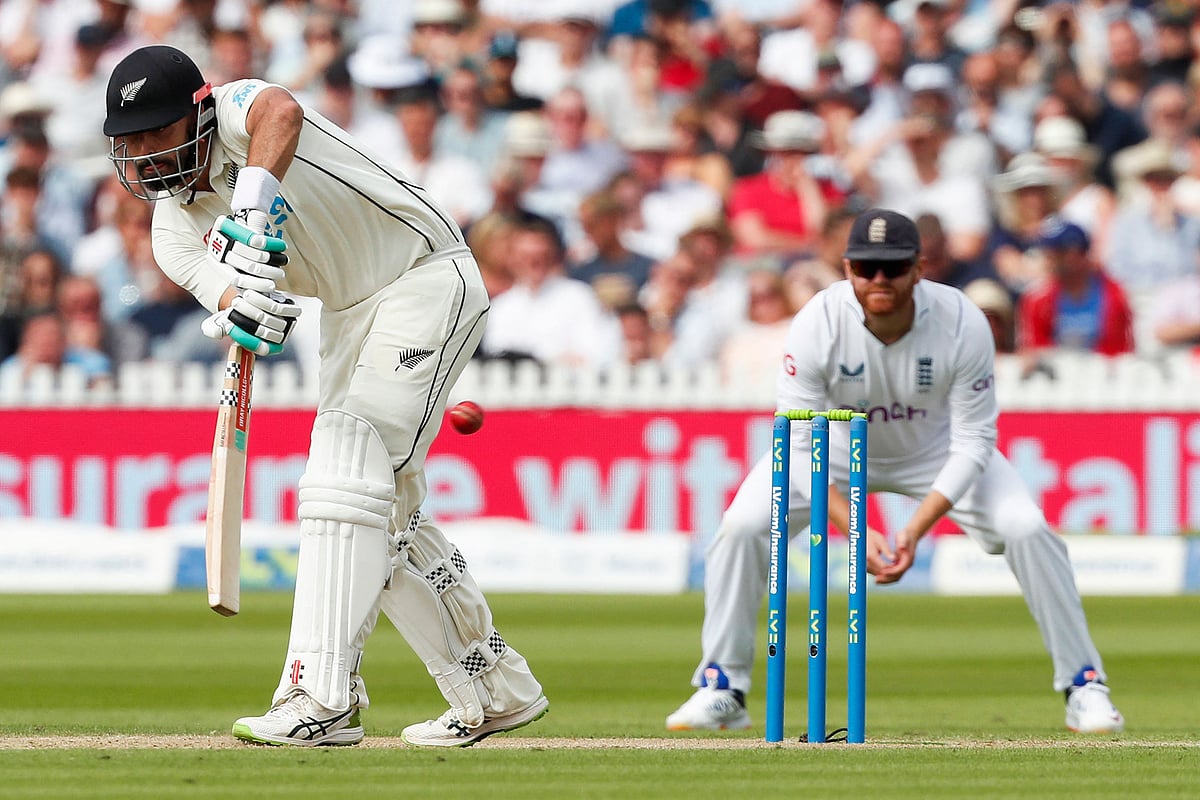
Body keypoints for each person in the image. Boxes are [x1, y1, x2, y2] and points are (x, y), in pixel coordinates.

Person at [102, 44, 547, 748]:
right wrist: (247, 313)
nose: (145, 156)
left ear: (198, 108)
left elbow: (284, 108)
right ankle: (493, 687)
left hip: (425, 275)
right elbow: (237, 307)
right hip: (348, 317)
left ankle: (319, 694)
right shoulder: (172, 231)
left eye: (156, 134)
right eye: (129, 143)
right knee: (377, 507)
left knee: (343, 481)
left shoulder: (243, 111)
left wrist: (250, 207)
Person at [665, 208, 1125, 736]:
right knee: (743, 526)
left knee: (1028, 528)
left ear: (918, 268)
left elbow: (975, 440)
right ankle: (722, 686)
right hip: (829, 449)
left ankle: (1084, 684)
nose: (878, 280)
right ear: (846, 268)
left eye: (892, 267)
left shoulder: (961, 320)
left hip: (936, 450)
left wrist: (911, 531)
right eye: (865, 268)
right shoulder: (818, 321)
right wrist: (854, 531)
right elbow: (795, 439)